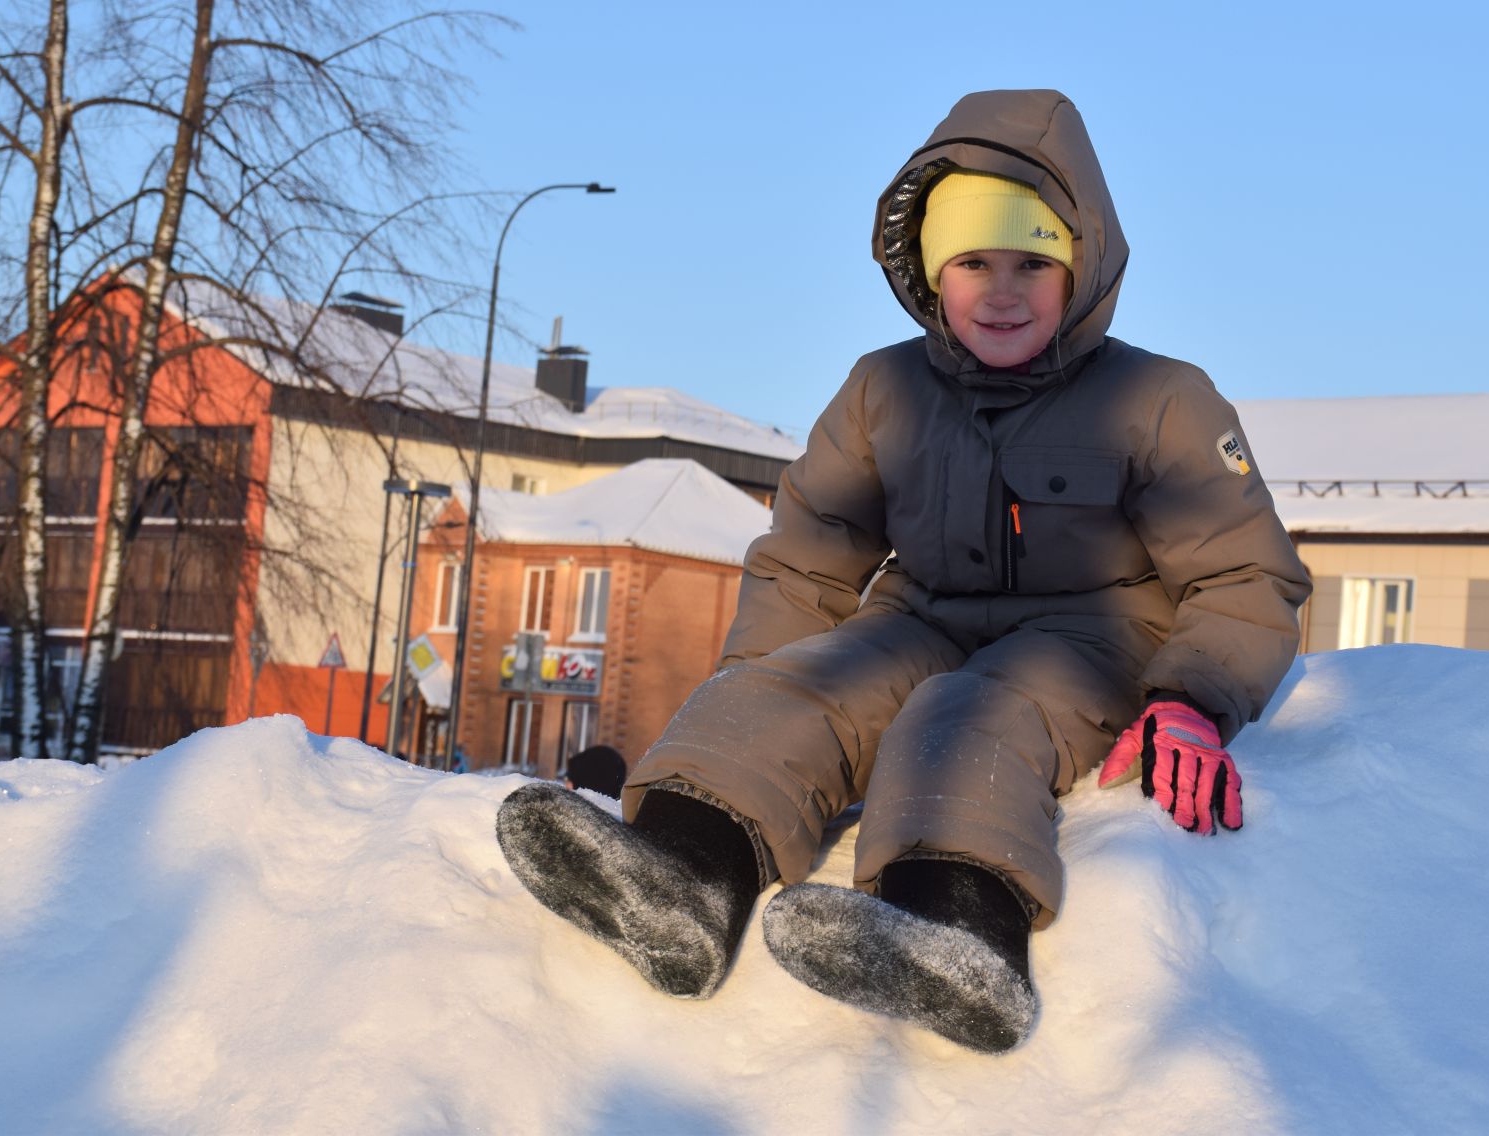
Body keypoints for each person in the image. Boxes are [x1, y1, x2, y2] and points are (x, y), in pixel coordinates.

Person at [497, 89, 1311, 1053]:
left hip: (1091, 636)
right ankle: (685, 876)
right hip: (920, 617)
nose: (1001, 290)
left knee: (967, 714)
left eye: (1031, 263)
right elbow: (806, 558)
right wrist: (759, 681)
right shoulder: (885, 390)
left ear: (1081, 268)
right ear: (930, 272)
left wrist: (1192, 696)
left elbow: (1245, 573)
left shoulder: (1158, 399)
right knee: (808, 684)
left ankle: (959, 930)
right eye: (973, 262)